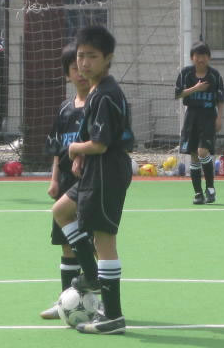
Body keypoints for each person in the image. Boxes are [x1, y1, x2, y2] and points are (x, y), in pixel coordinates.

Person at [51, 26, 134, 335]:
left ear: (108, 59)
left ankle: (112, 316)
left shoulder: (106, 94)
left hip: (107, 170)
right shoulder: (99, 91)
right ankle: (90, 274)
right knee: (61, 210)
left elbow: (100, 144)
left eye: (92, 57)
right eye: (80, 56)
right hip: (95, 169)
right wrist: (81, 156)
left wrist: (75, 148)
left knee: (104, 240)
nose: (84, 63)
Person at [40, 43, 91, 319]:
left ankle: (98, 302)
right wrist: (54, 180)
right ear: (67, 74)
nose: (80, 73)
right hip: (66, 184)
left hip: (89, 184)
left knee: (92, 244)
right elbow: (57, 151)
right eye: (74, 68)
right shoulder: (64, 110)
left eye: (83, 67)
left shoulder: (97, 105)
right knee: (66, 245)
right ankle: (65, 301)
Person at [175, 41, 224, 204]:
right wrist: (195, 88)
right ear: (192, 58)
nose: (201, 59)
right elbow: (178, 94)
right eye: (197, 56)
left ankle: (210, 188)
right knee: (194, 156)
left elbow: (221, 99)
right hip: (192, 117)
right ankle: (198, 193)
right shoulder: (186, 73)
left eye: (204, 56)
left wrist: (219, 118)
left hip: (209, 116)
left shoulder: (215, 75)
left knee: (203, 151)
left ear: (208, 57)